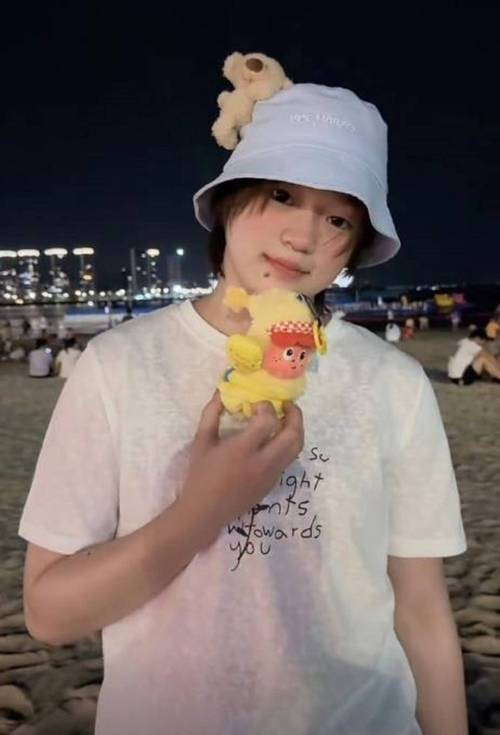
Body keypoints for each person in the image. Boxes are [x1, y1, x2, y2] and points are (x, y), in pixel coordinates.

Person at [19, 56, 468, 735]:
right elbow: (50, 614)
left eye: (338, 219)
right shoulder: (119, 365)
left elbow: (421, 609)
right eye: (282, 194)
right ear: (229, 199)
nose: (304, 236)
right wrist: (203, 509)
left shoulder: (393, 382)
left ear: (354, 248)